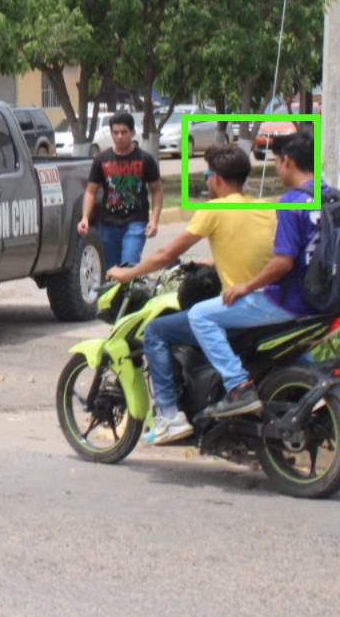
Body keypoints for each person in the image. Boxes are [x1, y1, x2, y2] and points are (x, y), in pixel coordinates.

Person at [187, 131, 340, 422]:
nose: (277, 167)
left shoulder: (292, 203)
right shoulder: (339, 201)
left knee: (201, 315)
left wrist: (245, 286)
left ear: (287, 161)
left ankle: (238, 388)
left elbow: (283, 263)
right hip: (328, 305)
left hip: (290, 303)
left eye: (277, 161)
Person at [106, 142, 276, 445]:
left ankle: (169, 415)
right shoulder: (264, 208)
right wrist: (211, 262)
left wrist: (126, 273)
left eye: (208, 174)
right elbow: (255, 253)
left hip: (240, 308)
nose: (207, 181)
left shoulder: (215, 209)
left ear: (218, 179)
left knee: (157, 331)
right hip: (268, 305)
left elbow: (165, 254)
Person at [77, 111, 163, 270]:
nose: (119, 136)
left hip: (136, 222)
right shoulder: (101, 160)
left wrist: (154, 220)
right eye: (115, 132)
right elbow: (91, 191)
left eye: (124, 132)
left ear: (133, 132)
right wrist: (85, 218)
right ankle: (116, 296)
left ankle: (127, 294)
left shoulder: (145, 159)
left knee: (128, 266)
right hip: (108, 224)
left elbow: (156, 191)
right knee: (111, 271)